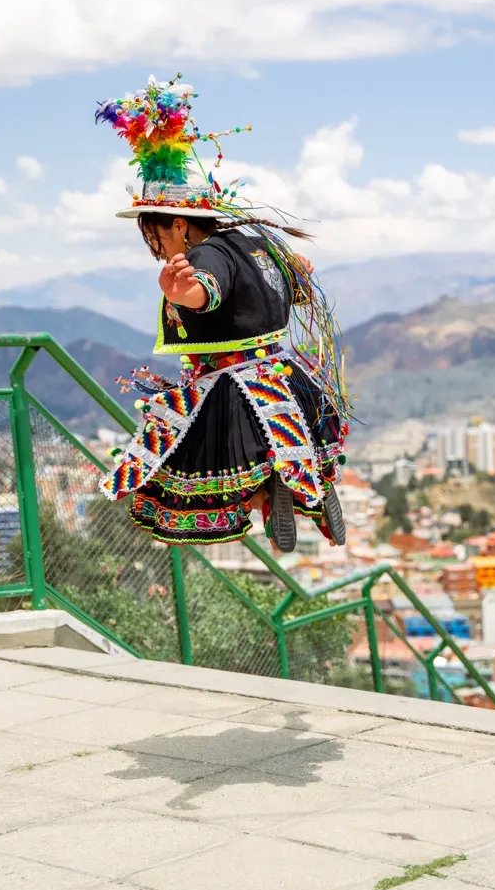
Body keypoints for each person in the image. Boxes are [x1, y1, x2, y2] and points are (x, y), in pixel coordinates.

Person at [96, 74, 350, 552]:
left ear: (178, 223)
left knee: (177, 468)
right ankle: (296, 492)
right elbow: (292, 289)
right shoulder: (256, 242)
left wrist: (183, 291)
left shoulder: (205, 254)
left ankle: (268, 495)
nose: (156, 247)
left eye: (157, 237)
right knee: (289, 451)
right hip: (283, 376)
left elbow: (206, 293)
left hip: (230, 386)